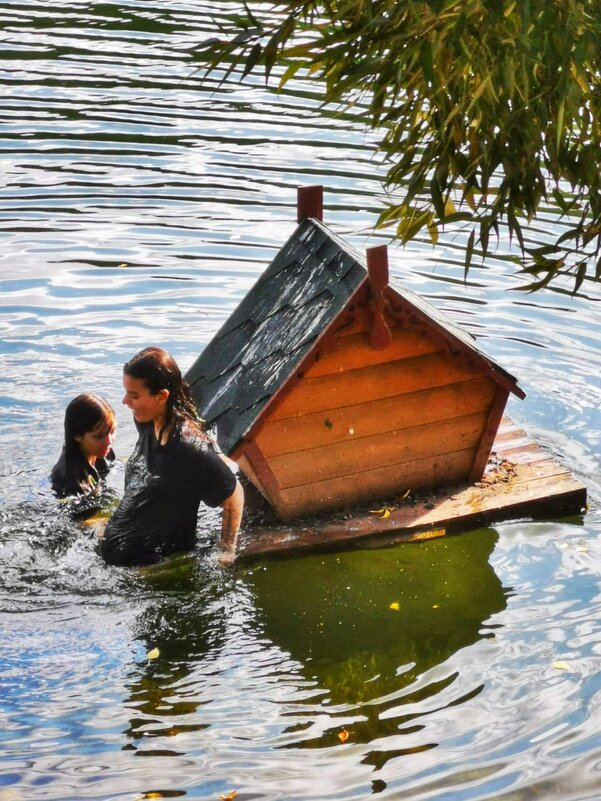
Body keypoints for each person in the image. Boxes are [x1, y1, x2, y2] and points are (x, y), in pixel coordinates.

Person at [99, 347, 244, 568]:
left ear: (161, 397)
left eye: (134, 395)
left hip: (151, 566)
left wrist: (226, 551)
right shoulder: (146, 421)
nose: (124, 401)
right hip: (119, 552)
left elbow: (235, 494)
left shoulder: (187, 447)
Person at [51, 393, 116, 499]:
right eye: (99, 436)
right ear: (77, 436)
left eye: (112, 431)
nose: (109, 442)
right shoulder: (70, 480)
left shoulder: (102, 449)